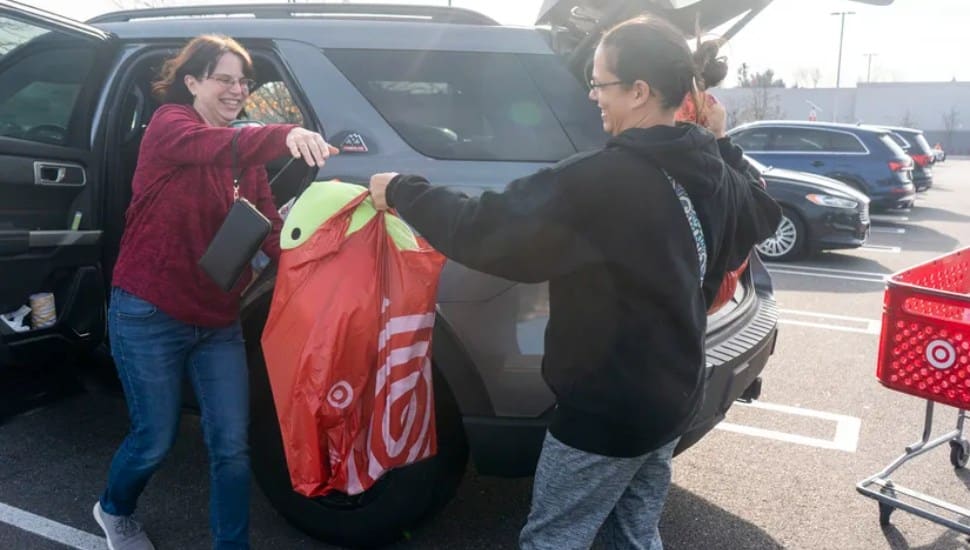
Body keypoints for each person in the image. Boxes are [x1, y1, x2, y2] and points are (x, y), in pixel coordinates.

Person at [368, 15, 779, 550]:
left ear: (639, 91)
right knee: (632, 533)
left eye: (601, 82)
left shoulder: (599, 181)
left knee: (553, 538)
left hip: (607, 409)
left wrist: (403, 190)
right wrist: (723, 142)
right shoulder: (711, 166)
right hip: (674, 394)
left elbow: (487, 231)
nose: (592, 95)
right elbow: (759, 213)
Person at [93, 34, 337, 550]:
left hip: (217, 319)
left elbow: (269, 228)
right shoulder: (170, 127)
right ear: (192, 82)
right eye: (223, 78)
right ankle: (114, 509)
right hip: (148, 311)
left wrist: (318, 261)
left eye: (242, 81)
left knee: (231, 447)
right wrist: (285, 132)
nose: (236, 89)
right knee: (153, 441)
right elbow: (216, 144)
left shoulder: (245, 158)